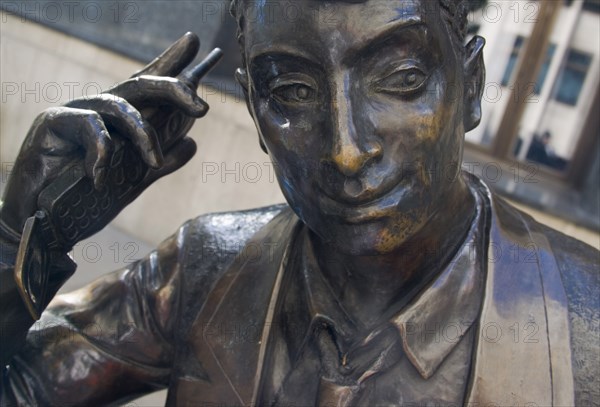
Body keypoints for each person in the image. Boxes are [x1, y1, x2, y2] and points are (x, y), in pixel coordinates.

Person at [1, 0, 598, 405]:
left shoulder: (583, 325)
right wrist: (20, 235)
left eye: (400, 79)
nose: (346, 149)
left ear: (470, 84)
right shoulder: (200, 270)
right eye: (293, 90)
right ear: (256, 112)